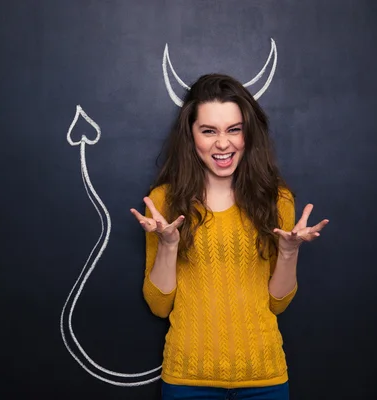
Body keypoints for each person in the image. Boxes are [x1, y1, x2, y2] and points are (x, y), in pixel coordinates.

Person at [130, 74, 329, 400]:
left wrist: (289, 252)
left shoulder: (277, 200)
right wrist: (168, 246)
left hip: (265, 379)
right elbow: (159, 305)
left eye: (234, 129)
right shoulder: (164, 201)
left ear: (248, 134)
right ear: (191, 136)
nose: (223, 143)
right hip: (187, 380)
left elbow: (278, 303)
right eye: (209, 131)